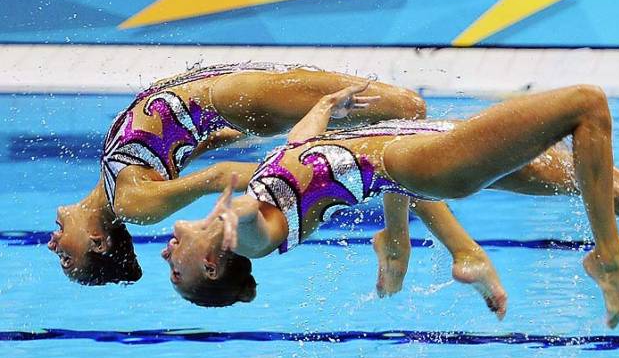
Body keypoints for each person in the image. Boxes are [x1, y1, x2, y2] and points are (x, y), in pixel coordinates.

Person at [162, 82, 619, 328]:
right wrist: (226, 206)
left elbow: (301, 147)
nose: (167, 249)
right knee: (584, 106)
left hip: (417, 152)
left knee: (605, 182)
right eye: (176, 267)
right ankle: (610, 259)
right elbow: (249, 215)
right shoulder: (246, 234)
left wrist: (324, 108)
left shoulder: (251, 211)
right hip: (425, 164)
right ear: (216, 263)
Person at [47, 62, 426, 285]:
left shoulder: (116, 183)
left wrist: (245, 133)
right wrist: (300, 171)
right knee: (407, 111)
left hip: (237, 98)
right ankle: (404, 240)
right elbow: (217, 177)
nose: (52, 246)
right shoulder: (131, 206)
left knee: (395, 123)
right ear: (98, 242)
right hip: (237, 97)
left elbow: (185, 145)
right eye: (66, 258)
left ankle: (397, 236)